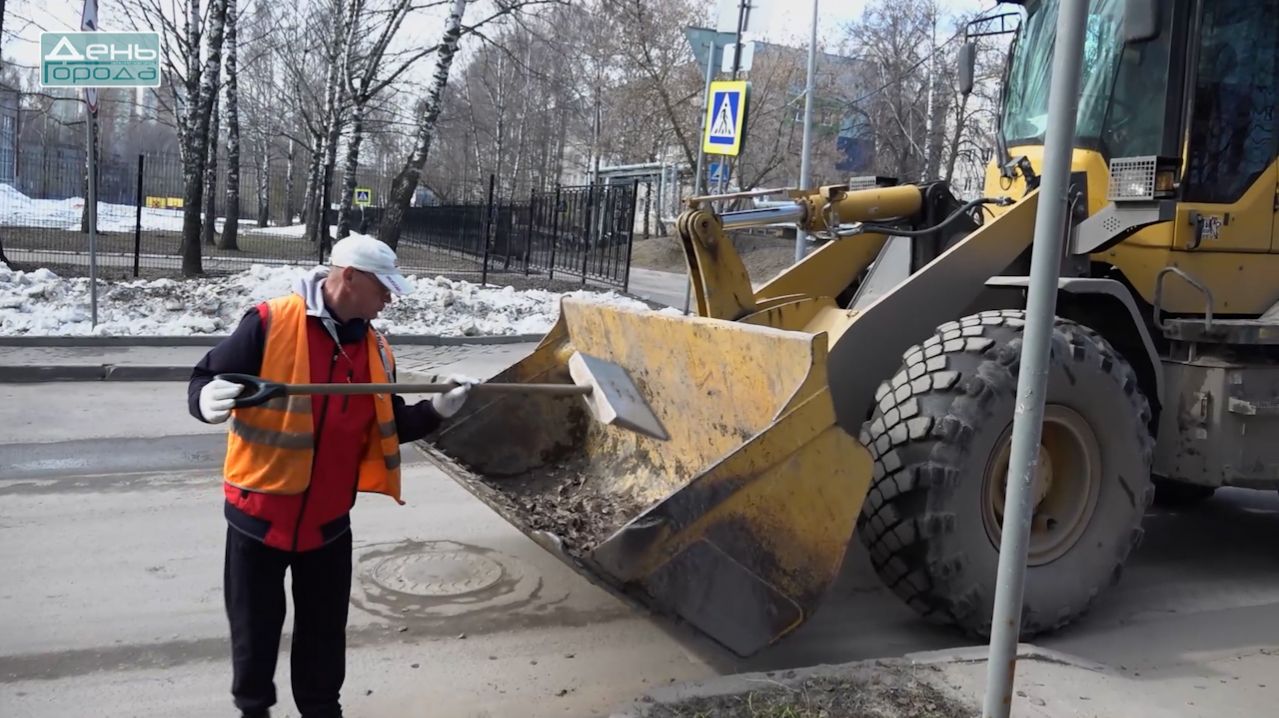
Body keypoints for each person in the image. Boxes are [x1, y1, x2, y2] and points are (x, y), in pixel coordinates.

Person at [187, 234, 478, 718]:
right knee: (254, 632)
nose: (389, 300)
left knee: (324, 637)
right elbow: (205, 377)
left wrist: (437, 410)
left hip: (327, 525)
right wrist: (204, 400)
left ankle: (322, 712)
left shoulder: (375, 348)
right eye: (383, 289)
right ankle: (253, 711)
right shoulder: (270, 321)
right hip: (258, 518)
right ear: (349, 279)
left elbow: (389, 422)